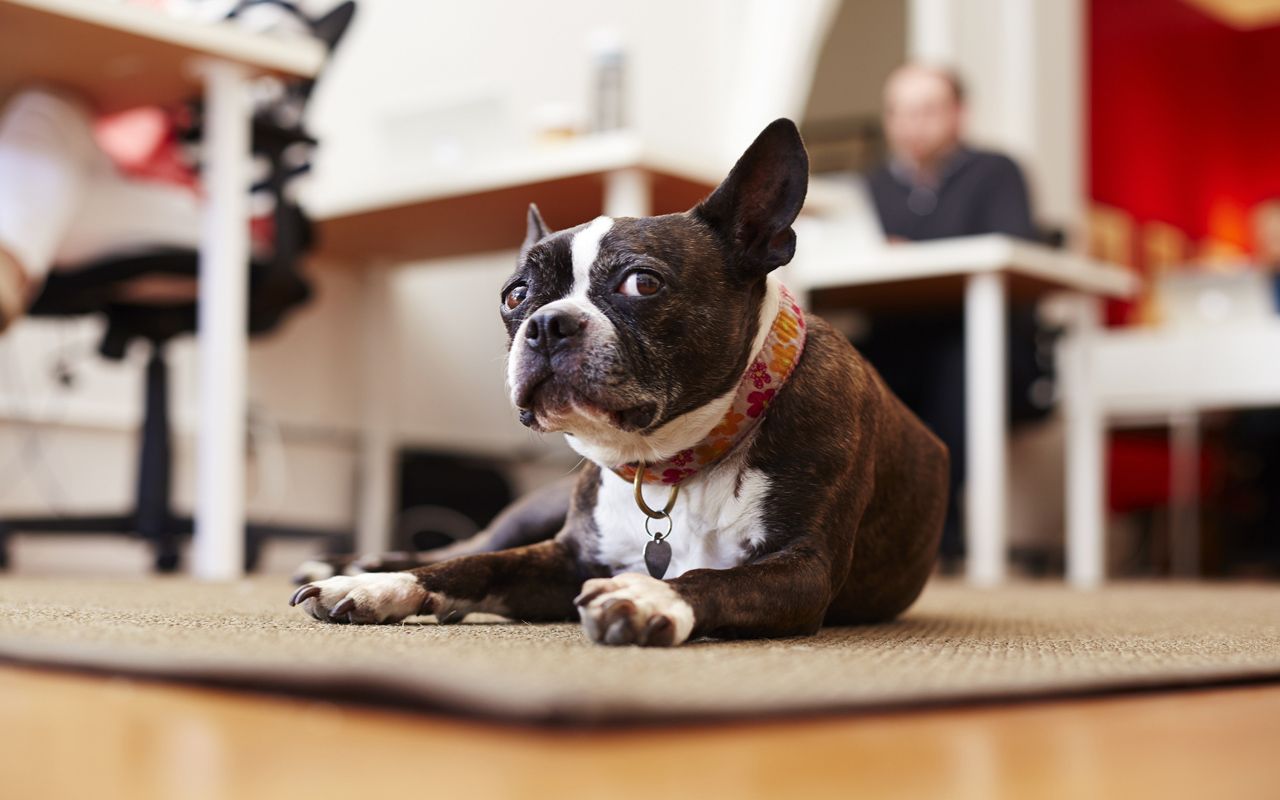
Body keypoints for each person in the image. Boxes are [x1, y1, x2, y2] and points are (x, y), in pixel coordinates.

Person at [858, 63, 1050, 568]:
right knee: (836, 365)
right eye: (898, 111)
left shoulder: (996, 171)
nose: (911, 124)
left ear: (958, 114)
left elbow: (1013, 248)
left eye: (926, 110)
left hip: (982, 344)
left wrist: (909, 250)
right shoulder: (871, 187)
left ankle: (942, 532)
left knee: (960, 364)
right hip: (897, 341)